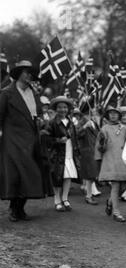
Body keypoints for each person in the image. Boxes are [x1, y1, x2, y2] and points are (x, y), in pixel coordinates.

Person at [0, 60, 53, 221]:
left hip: (32, 138)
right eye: (26, 72)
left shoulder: (34, 93)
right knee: (16, 174)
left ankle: (20, 207)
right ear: (18, 74)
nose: (30, 75)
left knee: (33, 174)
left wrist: (41, 122)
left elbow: (36, 115)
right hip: (12, 140)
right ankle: (14, 209)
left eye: (31, 72)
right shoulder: (6, 93)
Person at [44, 96, 80, 211]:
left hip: (69, 153)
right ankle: (57, 200)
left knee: (68, 177)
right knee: (57, 177)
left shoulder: (71, 123)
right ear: (56, 109)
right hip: (57, 154)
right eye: (60, 107)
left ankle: (65, 198)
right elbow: (46, 139)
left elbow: (75, 138)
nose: (62, 110)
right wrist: (58, 141)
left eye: (65, 107)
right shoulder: (52, 123)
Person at [95, 106, 126, 222]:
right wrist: (101, 143)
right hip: (111, 160)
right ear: (108, 115)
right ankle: (116, 212)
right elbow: (100, 148)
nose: (113, 115)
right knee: (115, 186)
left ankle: (110, 202)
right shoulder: (104, 129)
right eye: (111, 113)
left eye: (116, 113)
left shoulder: (124, 129)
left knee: (124, 187)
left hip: (123, 161)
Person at [75, 108, 100, 205]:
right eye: (92, 110)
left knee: (93, 174)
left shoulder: (94, 121)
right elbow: (76, 134)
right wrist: (85, 126)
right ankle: (88, 196)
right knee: (90, 174)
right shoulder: (82, 121)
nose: (94, 111)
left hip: (95, 150)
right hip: (87, 151)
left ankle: (89, 193)